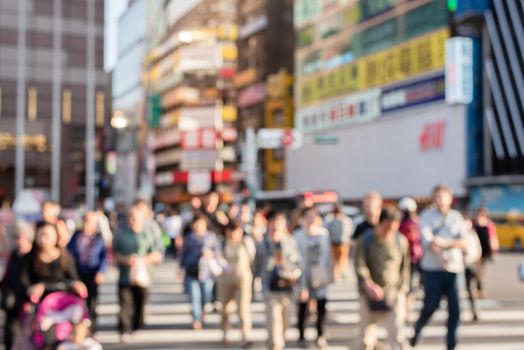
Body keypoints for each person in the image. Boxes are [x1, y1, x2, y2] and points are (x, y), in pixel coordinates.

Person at [410, 184, 467, 350]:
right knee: (431, 305)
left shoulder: (457, 217)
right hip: (432, 269)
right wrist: (444, 249)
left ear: (450, 198)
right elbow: (429, 242)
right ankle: (417, 331)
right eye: (437, 196)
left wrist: (445, 243)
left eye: (443, 196)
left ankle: (451, 345)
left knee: (455, 309)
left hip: (455, 269)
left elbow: (464, 242)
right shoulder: (426, 216)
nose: (440, 200)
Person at [354, 206, 410, 350]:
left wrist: (403, 291)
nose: (390, 231)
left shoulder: (400, 241)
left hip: (393, 293)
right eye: (387, 227)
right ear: (379, 224)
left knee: (397, 336)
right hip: (368, 294)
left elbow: (405, 268)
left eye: (394, 228)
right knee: (366, 338)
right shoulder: (365, 240)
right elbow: (359, 265)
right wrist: (368, 284)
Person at [113, 207, 163, 342]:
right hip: (125, 276)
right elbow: (114, 255)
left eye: (135, 218)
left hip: (143, 277)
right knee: (125, 303)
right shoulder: (121, 234)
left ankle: (136, 325)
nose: (132, 220)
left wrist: (141, 260)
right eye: (130, 217)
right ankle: (124, 328)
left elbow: (157, 255)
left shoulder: (147, 234)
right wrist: (126, 260)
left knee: (140, 303)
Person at [262, 211, 301, 350]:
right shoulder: (264, 242)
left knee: (286, 320)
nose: (278, 225)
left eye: (281, 222)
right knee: (273, 320)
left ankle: (276, 342)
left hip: (288, 287)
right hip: (270, 287)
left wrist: (293, 273)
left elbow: (297, 261)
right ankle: (275, 345)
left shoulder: (291, 241)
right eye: (275, 222)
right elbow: (259, 264)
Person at [295, 207, 332, 348]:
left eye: (313, 216)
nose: (310, 220)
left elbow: (328, 257)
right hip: (303, 274)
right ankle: (301, 335)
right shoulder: (298, 235)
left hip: (320, 274)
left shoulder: (324, 234)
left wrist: (329, 274)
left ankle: (320, 334)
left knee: (322, 305)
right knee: (303, 306)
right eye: (307, 216)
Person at [180, 214, 223, 330]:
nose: (198, 226)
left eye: (201, 223)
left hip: (206, 272)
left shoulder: (211, 237)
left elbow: (218, 253)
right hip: (191, 270)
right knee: (194, 297)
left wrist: (211, 254)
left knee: (206, 295)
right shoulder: (188, 238)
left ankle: (203, 312)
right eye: (196, 223)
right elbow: (183, 255)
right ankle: (196, 319)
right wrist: (180, 270)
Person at [67, 211, 108, 330]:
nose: (86, 224)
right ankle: (77, 329)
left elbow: (104, 257)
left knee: (92, 302)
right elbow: (70, 255)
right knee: (77, 301)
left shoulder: (99, 238)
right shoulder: (75, 236)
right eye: (85, 220)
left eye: (90, 221)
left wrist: (101, 272)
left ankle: (91, 328)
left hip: (93, 273)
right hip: (78, 273)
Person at [218, 221, 253, 347]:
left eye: (236, 232)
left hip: (243, 280)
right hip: (225, 281)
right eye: (231, 231)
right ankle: (225, 333)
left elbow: (252, 258)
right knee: (225, 309)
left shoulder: (246, 243)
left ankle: (245, 336)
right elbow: (218, 259)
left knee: (243, 309)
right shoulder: (222, 243)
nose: (233, 234)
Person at [1, 222, 34, 350]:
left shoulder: (33, 256)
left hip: (27, 303)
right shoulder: (15, 255)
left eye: (19, 237)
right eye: (15, 237)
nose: (16, 240)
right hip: (12, 302)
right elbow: (7, 276)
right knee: (9, 334)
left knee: (26, 337)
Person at [398, 197, 423, 298]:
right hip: (415, 254)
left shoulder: (401, 224)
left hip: (410, 254)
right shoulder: (417, 222)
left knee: (409, 277)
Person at [473, 208, 499, 299]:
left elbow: (493, 238)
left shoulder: (489, 225)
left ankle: (478, 290)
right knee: (477, 271)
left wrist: (494, 252)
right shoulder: (473, 225)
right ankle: (479, 290)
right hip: (475, 252)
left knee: (480, 272)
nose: (479, 217)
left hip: (485, 252)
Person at [463, 215, 482, 321]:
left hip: (469, 265)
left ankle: (474, 310)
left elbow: (478, 250)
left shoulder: (472, 234)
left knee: (471, 289)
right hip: (458, 266)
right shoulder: (457, 234)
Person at [327, 204, 353, 282]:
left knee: (335, 261)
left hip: (333, 243)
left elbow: (328, 231)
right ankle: (341, 274)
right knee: (342, 260)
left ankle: (336, 276)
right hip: (343, 243)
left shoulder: (330, 221)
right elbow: (349, 231)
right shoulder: (346, 220)